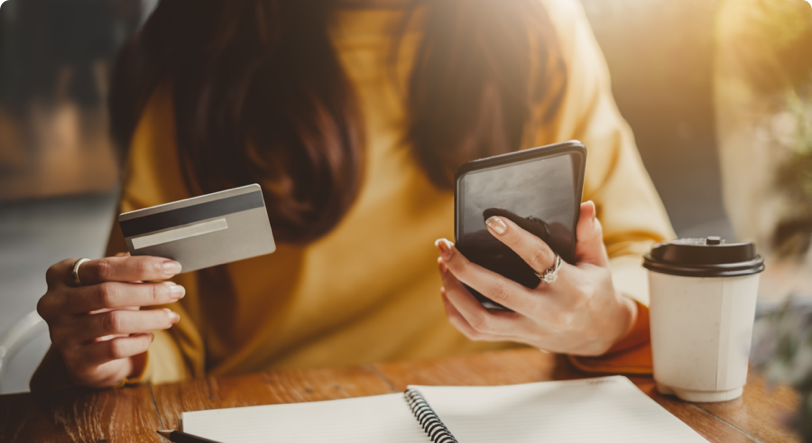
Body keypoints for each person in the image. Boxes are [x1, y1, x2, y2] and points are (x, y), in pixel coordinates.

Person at [32, 0, 673, 390]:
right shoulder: (199, 60)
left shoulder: (541, 33)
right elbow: (166, 325)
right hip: (259, 413)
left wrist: (605, 323)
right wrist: (117, 349)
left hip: (507, 407)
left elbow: (641, 256)